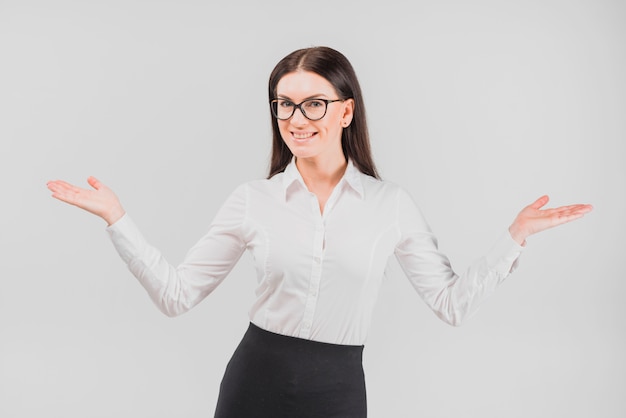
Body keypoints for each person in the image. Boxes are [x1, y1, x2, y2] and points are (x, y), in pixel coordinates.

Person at [46, 46, 593, 418]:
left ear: (346, 110)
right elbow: (176, 295)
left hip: (338, 389)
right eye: (284, 103)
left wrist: (515, 235)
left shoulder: (390, 205)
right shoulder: (252, 200)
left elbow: (451, 304)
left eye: (314, 103)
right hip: (253, 382)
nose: (296, 118)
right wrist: (118, 218)